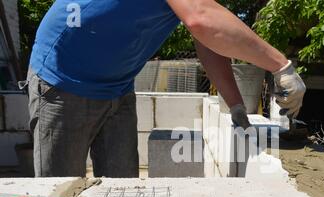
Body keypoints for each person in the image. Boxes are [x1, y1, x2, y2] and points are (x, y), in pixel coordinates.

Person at [25, 0, 306, 178]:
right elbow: (201, 19)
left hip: (117, 88)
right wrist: (281, 66)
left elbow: (206, 39)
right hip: (61, 81)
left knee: (120, 192)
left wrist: (236, 107)